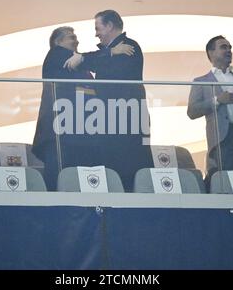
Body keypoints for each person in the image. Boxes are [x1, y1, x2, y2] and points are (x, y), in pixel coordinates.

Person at [33, 26, 134, 191]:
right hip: (60, 133)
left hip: (79, 131)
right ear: (58, 42)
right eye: (71, 37)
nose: (76, 40)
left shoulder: (76, 62)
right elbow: (87, 60)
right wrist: (112, 51)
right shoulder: (57, 55)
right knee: (61, 184)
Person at [64, 10, 152, 192]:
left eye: (98, 28)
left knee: (129, 175)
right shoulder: (114, 50)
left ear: (110, 26)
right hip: (115, 121)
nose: (96, 34)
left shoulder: (128, 47)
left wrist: (84, 57)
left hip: (126, 120)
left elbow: (102, 65)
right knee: (112, 171)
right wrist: (109, 52)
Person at [187, 36, 233, 188]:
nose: (229, 50)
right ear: (211, 52)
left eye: (230, 47)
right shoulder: (201, 81)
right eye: (223, 47)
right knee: (227, 182)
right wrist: (217, 100)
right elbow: (192, 111)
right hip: (223, 139)